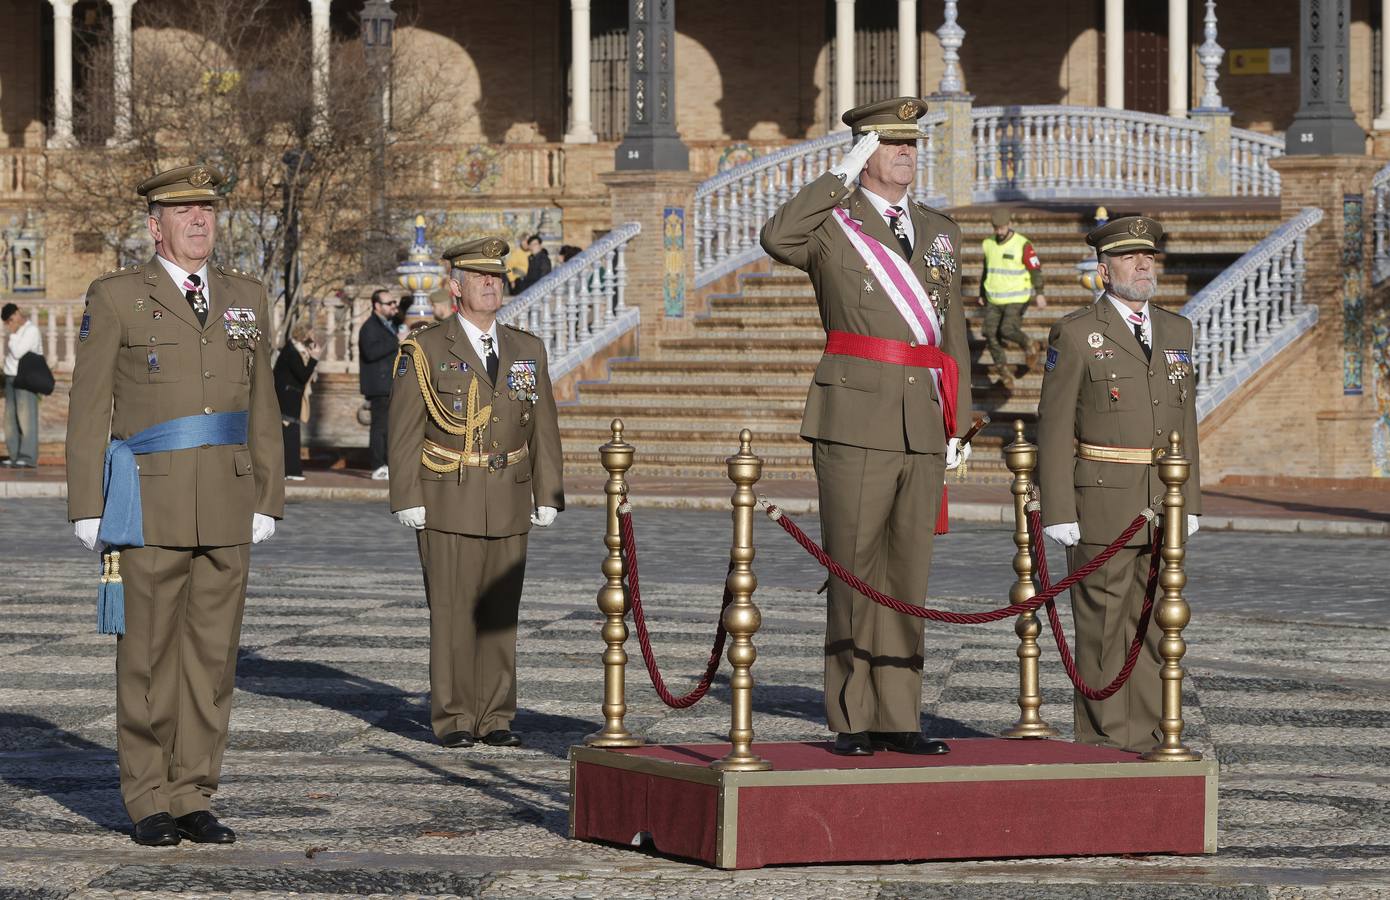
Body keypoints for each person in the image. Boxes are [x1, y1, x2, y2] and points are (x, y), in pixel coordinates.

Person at [65, 164, 284, 846]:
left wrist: (268, 494)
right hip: (147, 503)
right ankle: (147, 797)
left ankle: (193, 791)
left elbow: (263, 405)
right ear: (155, 225)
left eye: (209, 211)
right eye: (185, 211)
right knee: (148, 656)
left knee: (213, 660)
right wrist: (86, 504)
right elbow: (89, 406)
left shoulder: (247, 296)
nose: (200, 221)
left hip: (226, 497)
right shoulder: (118, 297)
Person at [760, 98, 973, 758]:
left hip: (922, 419)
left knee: (909, 574)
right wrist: (840, 174)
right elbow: (777, 238)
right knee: (855, 570)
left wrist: (957, 421)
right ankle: (852, 714)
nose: (907, 153)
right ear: (863, 151)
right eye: (891, 143)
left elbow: (952, 329)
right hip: (854, 414)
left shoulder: (939, 230)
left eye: (912, 144)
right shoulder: (833, 225)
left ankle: (899, 714)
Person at [388, 236, 564, 750]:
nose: (491, 284)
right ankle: (455, 716)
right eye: (480, 277)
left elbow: (543, 427)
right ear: (455, 287)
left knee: (500, 613)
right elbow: (403, 430)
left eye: (497, 277)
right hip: (448, 493)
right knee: (451, 611)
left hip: (509, 493)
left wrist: (548, 490)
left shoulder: (526, 348)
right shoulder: (424, 349)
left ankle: (496, 716)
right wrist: (406, 495)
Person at [1036, 215, 1201, 754]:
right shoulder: (1078, 331)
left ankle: (1152, 731)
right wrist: (1058, 507)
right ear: (1104, 271)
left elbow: (1185, 420)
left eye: (1149, 257)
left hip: (1161, 501)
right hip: (1101, 500)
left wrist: (1190, 497)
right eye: (1131, 258)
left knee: (1156, 624)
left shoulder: (1178, 330)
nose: (1144, 265)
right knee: (1104, 624)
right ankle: (1105, 737)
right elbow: (1056, 424)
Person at [978, 209, 1046, 385]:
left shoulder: (1022, 244)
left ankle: (1030, 344)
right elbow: (987, 270)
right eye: (996, 228)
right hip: (993, 298)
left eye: (1002, 228)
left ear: (1009, 225)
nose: (999, 232)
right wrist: (982, 294)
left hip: (1017, 297)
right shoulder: (988, 244)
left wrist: (1039, 293)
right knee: (990, 333)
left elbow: (1035, 269)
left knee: (1007, 329)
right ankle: (1003, 371)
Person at [358, 288, 399, 479]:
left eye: (394, 303)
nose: (393, 306)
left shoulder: (388, 324)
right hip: (379, 385)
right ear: (377, 306)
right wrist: (397, 341)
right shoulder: (370, 327)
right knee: (380, 427)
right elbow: (370, 352)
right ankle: (378, 465)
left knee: (389, 427)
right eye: (389, 303)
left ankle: (388, 463)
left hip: (389, 384)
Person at [273, 321, 319, 481]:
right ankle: (290, 471)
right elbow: (302, 374)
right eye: (311, 334)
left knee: (292, 433)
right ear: (304, 335)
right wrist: (314, 359)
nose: (313, 337)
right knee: (289, 434)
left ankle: (291, 470)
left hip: (291, 397)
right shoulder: (292, 351)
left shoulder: (296, 350)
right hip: (287, 398)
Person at [2, 303, 42, 467]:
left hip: (26, 379)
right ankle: (14, 455)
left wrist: (13, 334)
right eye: (7, 322)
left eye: (12, 319)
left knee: (27, 419)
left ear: (18, 314)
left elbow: (18, 352)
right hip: (11, 378)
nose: (11, 323)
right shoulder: (18, 332)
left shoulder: (31, 330)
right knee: (10, 421)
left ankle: (27, 457)